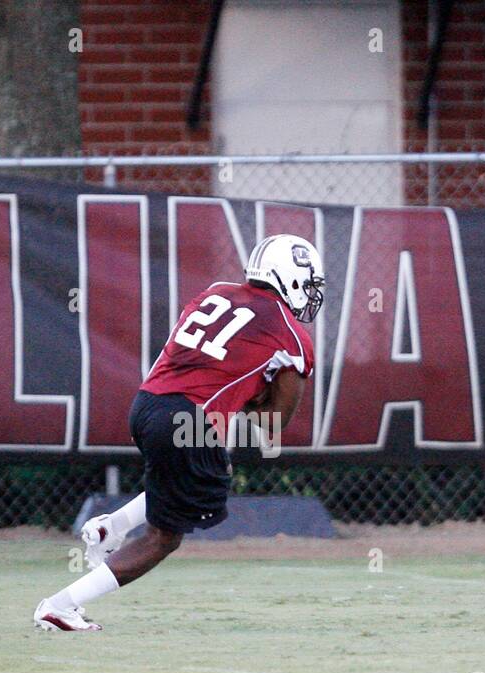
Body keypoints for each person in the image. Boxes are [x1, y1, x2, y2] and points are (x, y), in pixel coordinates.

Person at [34, 234, 324, 631]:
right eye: (308, 285)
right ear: (290, 278)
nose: (310, 296)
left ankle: (111, 526)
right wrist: (257, 397)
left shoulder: (217, 292)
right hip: (187, 418)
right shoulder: (290, 335)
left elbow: (207, 360)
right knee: (165, 537)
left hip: (147, 404)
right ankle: (61, 605)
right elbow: (275, 420)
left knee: (187, 483)